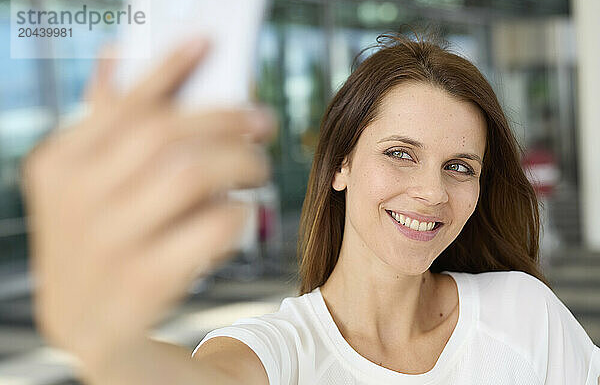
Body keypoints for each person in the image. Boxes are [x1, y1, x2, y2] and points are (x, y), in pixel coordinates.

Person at [20, 32, 599, 385]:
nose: (433, 193)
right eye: (400, 154)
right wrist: (102, 343)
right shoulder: (279, 351)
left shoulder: (524, 315)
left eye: (460, 166)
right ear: (341, 164)